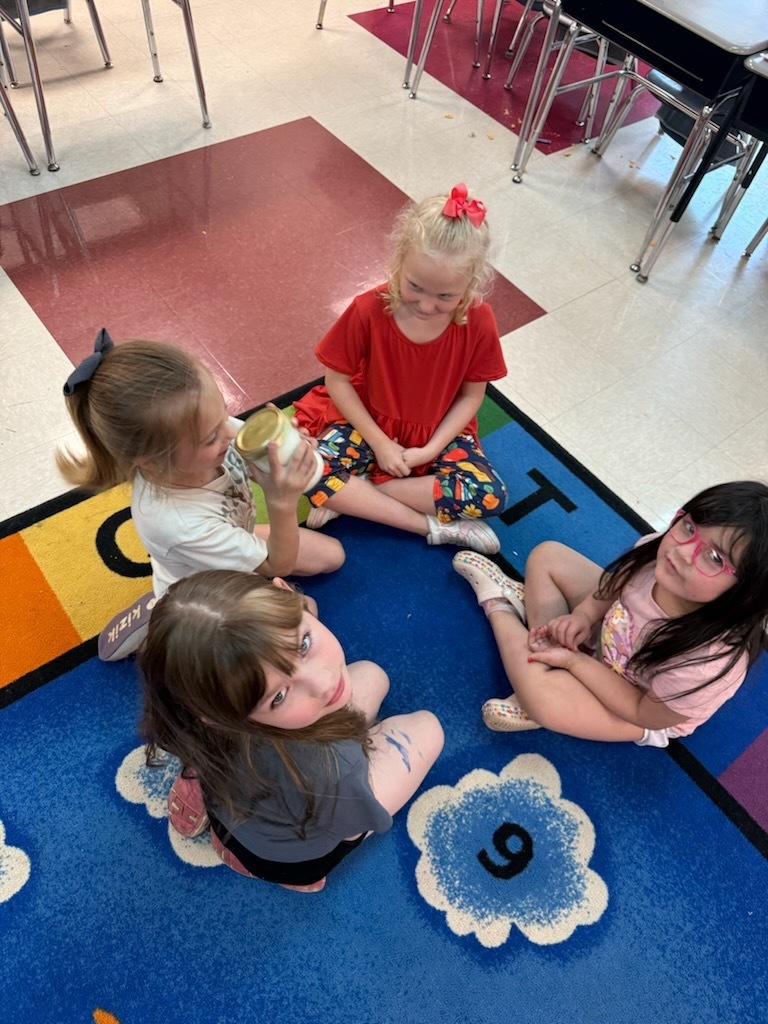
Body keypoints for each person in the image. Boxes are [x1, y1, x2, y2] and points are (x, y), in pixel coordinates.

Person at [138, 570, 444, 892]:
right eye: (279, 696)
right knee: (428, 728)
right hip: (284, 859)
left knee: (371, 675)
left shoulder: (194, 717)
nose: (324, 682)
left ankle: (200, 789)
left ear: (287, 594)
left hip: (237, 795)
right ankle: (285, 875)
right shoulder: (335, 769)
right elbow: (350, 830)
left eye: (303, 644)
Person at [57, 332, 344, 656]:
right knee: (303, 618)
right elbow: (279, 562)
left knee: (332, 555)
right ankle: (166, 624)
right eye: (210, 438)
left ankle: (182, 589)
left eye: (223, 413)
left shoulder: (206, 428)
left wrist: (294, 451)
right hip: (206, 594)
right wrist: (281, 501)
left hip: (222, 544)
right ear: (152, 460)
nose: (230, 431)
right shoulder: (177, 523)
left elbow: (306, 471)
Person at [453, 481, 768, 746]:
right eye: (689, 526)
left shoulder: (706, 663)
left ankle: (500, 605)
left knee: (544, 702)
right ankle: (544, 669)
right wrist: (584, 616)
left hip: (635, 703)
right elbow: (617, 582)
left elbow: (642, 711)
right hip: (610, 634)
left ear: (748, 591)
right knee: (547, 556)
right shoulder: (662, 554)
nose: (682, 552)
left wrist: (574, 662)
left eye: (714, 557)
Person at [293, 183, 509, 556]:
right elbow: (338, 381)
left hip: (439, 432)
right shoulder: (367, 309)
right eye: (415, 287)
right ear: (398, 263)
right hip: (368, 422)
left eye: (445, 296)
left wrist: (431, 449)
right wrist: (379, 442)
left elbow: (473, 395)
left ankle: (359, 496)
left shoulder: (479, 319)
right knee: (301, 469)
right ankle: (426, 525)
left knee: (490, 496)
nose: (426, 306)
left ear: (471, 283)